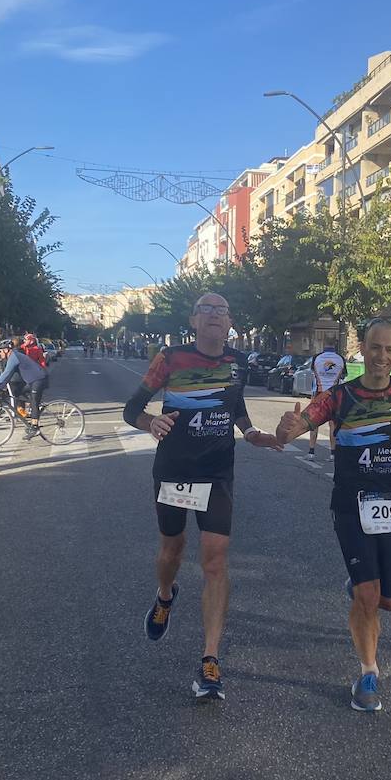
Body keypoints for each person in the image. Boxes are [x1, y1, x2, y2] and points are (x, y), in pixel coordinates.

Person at [276, 319, 391, 713]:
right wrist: (288, 428)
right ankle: (368, 674)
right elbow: (301, 423)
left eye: (390, 350)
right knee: (369, 596)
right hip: (350, 503)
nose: (382, 357)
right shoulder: (340, 396)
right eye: (375, 348)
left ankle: (358, 589)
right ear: (363, 351)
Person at [123, 293, 281, 701]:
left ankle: (210, 659)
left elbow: (235, 403)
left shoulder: (238, 362)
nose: (214, 315)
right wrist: (150, 421)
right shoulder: (170, 359)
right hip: (174, 470)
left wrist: (249, 432)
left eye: (222, 309)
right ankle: (165, 596)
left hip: (216, 471)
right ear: (194, 320)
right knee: (172, 551)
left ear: (230, 322)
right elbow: (131, 409)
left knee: (214, 558)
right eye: (206, 309)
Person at [0, 340, 48, 438]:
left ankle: (34, 427)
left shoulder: (14, 357)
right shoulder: (14, 356)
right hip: (32, 380)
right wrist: (0, 387)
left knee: (34, 401)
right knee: (17, 394)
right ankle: (38, 408)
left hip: (38, 379)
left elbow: (7, 373)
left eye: (0, 352)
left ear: (6, 350)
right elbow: (9, 375)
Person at [306, 342, 346, 459]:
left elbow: (313, 372)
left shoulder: (317, 358)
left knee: (314, 422)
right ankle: (333, 453)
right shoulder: (340, 358)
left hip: (319, 393)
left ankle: (311, 452)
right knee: (333, 424)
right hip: (334, 394)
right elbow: (343, 376)